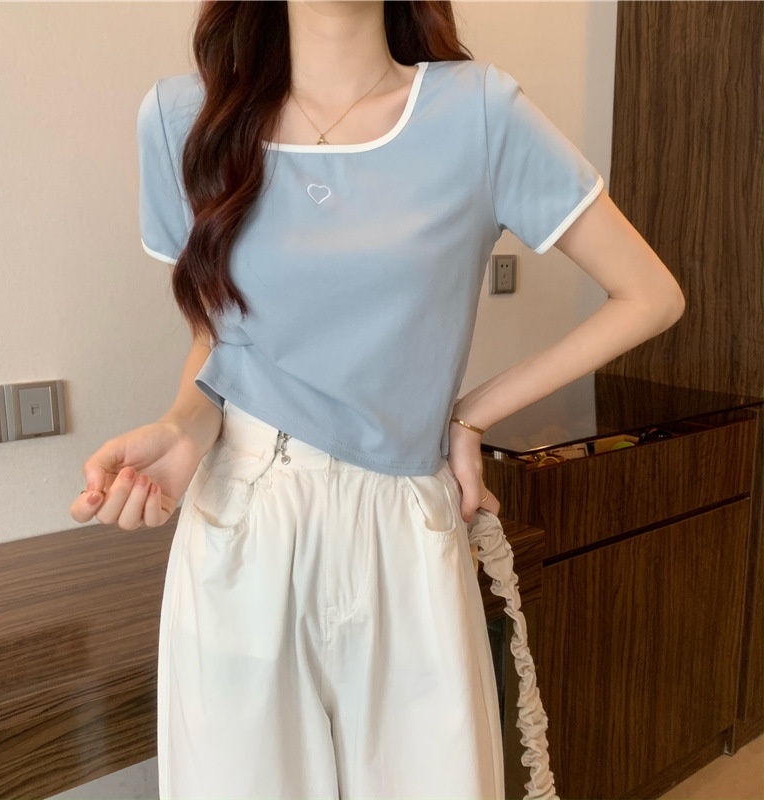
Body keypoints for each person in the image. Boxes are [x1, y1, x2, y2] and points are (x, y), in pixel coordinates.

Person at [71, 2, 685, 798]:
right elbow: (215, 341)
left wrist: (469, 415)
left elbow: (649, 294)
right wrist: (183, 428)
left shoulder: (479, 113)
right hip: (244, 520)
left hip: (402, 523)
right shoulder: (182, 119)